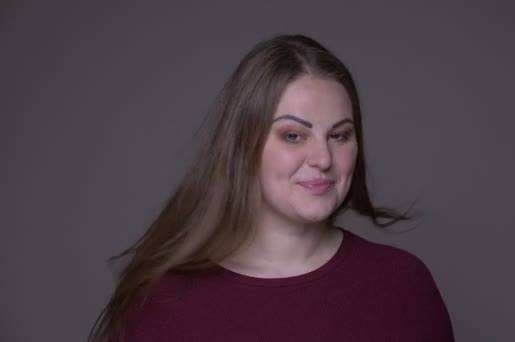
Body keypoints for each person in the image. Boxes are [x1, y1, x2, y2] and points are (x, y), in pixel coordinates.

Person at [89, 34, 453, 341]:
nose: (323, 158)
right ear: (244, 146)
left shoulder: (403, 286)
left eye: (339, 135)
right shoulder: (166, 303)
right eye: (293, 135)